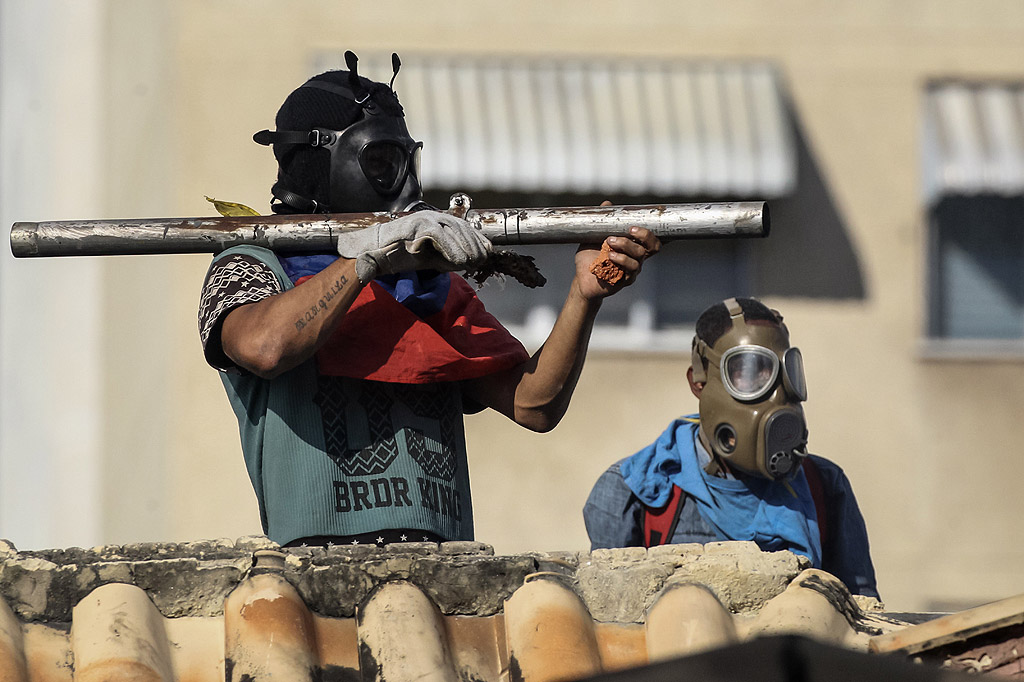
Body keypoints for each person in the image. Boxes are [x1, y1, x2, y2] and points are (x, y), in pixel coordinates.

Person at [197, 52, 660, 548]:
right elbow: (267, 347)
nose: (405, 185)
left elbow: (534, 405)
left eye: (405, 161)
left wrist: (584, 295)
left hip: (444, 570)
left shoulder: (428, 283)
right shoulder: (250, 266)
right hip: (317, 574)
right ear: (320, 164)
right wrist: (365, 262)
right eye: (380, 164)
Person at [583, 297, 878, 598]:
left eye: (784, 374)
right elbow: (612, 622)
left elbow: (863, 616)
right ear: (698, 382)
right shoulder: (636, 491)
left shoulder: (825, 487)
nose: (775, 394)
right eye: (748, 372)